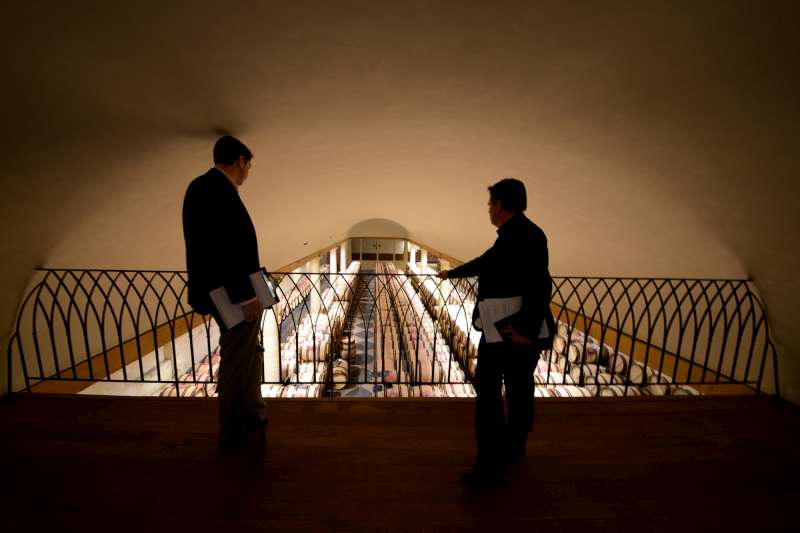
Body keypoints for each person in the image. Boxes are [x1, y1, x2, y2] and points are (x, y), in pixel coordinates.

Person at [439, 177, 555, 484]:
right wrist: (452, 273)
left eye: (490, 204)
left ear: (499, 205)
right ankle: (512, 449)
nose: (488, 209)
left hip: (509, 330)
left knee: (490, 392)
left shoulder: (526, 236)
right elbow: (486, 262)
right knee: (516, 389)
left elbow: (541, 285)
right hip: (504, 328)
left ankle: (488, 464)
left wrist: (526, 329)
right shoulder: (516, 234)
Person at [182, 135, 268, 462]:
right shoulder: (222, 192)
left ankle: (249, 413)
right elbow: (230, 248)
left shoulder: (197, 187)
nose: (248, 173)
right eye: (249, 166)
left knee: (244, 351)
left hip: (213, 290)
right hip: (233, 295)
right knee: (236, 357)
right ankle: (233, 430)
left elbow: (206, 247)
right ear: (240, 161)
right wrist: (247, 296)